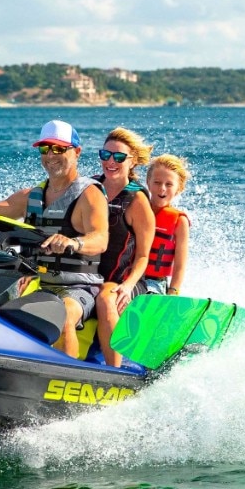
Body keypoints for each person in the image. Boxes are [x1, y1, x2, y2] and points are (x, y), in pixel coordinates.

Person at [0, 120, 108, 358]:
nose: (51, 155)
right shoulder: (32, 195)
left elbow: (100, 239)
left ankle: (63, 377)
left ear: (77, 152)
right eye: (44, 149)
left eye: (58, 149)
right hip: (37, 281)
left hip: (78, 286)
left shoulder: (90, 194)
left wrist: (73, 242)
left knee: (62, 315)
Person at [91, 128, 155, 367]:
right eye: (105, 155)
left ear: (133, 162)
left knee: (107, 299)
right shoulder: (89, 188)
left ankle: (113, 372)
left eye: (118, 157)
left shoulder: (137, 200)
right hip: (85, 277)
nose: (110, 162)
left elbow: (143, 257)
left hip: (125, 281)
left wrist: (127, 287)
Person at [143, 154, 191, 296]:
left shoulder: (179, 221)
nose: (162, 188)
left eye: (169, 184)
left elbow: (180, 265)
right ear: (148, 182)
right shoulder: (136, 209)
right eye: (157, 182)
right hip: (127, 277)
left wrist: (173, 292)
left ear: (179, 188)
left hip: (155, 283)